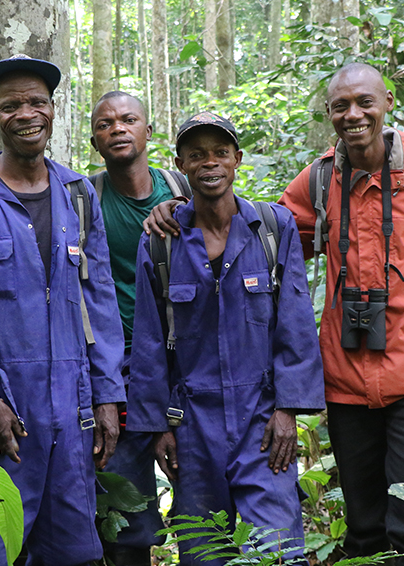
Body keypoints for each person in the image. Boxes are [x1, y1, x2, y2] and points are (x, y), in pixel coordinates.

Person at [142, 65, 404, 565]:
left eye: (364, 103)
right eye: (340, 106)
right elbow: (250, 229)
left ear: (388, 102)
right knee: (363, 526)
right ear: (328, 114)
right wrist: (180, 208)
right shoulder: (320, 179)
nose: (353, 115)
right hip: (346, 383)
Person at [0, 54, 126, 566]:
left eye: (37, 101)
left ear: (54, 110)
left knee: (71, 553)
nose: (26, 113)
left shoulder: (78, 194)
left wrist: (106, 396)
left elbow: (99, 304)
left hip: (70, 412)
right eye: (10, 104)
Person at [126, 112, 326, 566]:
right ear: (181, 164)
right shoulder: (161, 243)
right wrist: (158, 425)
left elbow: (295, 323)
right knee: (204, 552)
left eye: (220, 153)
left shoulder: (273, 229)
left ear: (237, 159)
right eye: (197, 155)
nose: (209, 163)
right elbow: (150, 341)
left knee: (277, 552)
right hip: (192, 424)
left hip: (261, 419)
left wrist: (288, 410)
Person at [87, 91, 190, 566]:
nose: (118, 129)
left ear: (149, 131)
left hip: (187, 361)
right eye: (106, 124)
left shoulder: (183, 189)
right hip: (120, 366)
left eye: (129, 120)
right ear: (95, 140)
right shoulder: (85, 200)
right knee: (126, 506)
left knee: (200, 490)